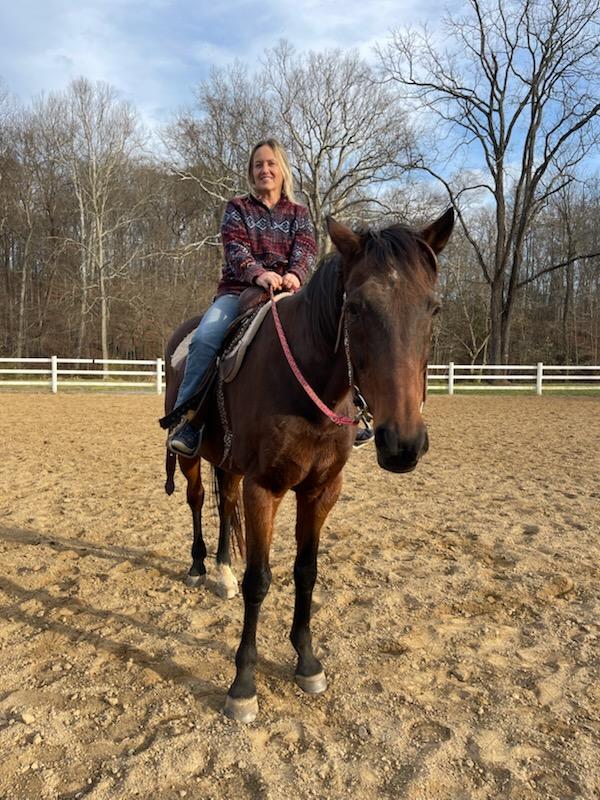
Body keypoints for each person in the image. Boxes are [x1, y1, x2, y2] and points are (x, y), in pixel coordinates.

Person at [168, 138, 317, 456]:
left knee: (333, 331)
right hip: (240, 292)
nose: (265, 169)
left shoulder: (299, 213)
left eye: (271, 163)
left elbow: (306, 250)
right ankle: (188, 421)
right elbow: (235, 248)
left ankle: (350, 414)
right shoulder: (238, 208)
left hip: (288, 294)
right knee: (205, 339)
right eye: (258, 164)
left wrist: (296, 274)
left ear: (282, 170)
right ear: (251, 172)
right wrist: (258, 273)